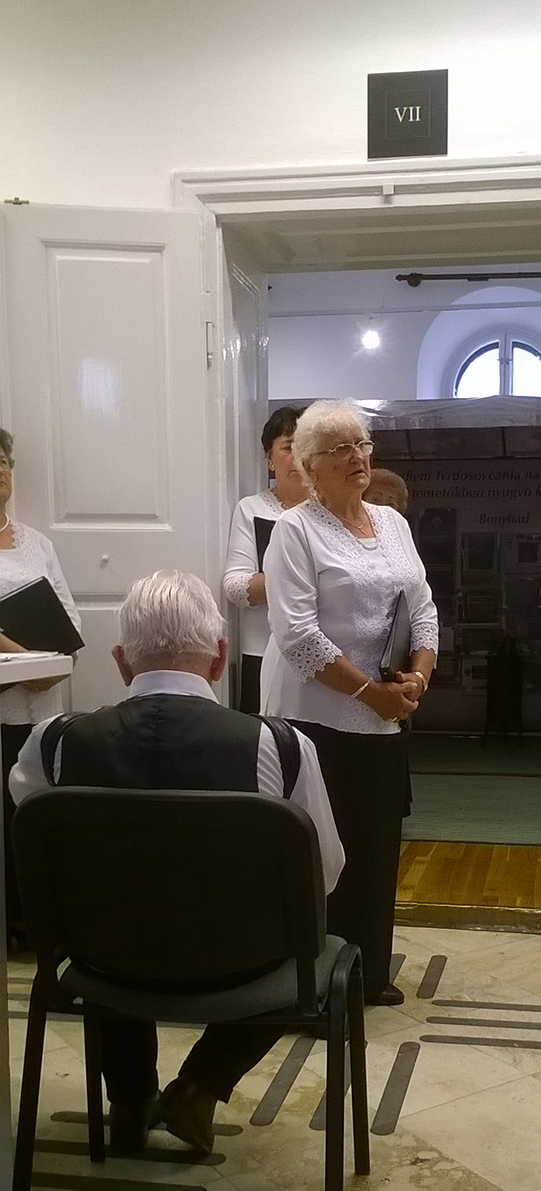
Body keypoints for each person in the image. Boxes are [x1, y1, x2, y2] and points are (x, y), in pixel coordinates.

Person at [10, 570, 344, 1157]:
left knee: (113, 904)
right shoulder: (281, 746)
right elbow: (325, 874)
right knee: (310, 943)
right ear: (220, 658)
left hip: (102, 963)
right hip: (239, 969)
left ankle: (129, 1099)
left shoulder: (52, 742)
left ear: (121, 662)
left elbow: (44, 858)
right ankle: (200, 1087)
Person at [261, 400, 438, 1006]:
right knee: (321, 853)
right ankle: (313, 982)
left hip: (386, 714)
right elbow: (298, 635)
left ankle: (367, 975)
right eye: (340, 448)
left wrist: (416, 680)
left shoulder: (392, 524)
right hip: (318, 718)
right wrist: (372, 693)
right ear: (309, 465)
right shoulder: (295, 530)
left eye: (362, 443)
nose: (358, 457)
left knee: (376, 844)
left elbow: (423, 609)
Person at [0, 428, 82, 947]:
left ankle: (38, 920)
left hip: (43, 701)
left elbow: (69, 621)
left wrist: (57, 661)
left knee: (36, 809)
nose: (0, 470)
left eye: (4, 460)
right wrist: (27, 657)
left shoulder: (38, 544)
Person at [223, 405, 309, 712]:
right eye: (288, 447)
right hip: (261, 652)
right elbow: (235, 587)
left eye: (306, 446)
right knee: (264, 737)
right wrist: (296, 575)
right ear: (270, 458)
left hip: (326, 654)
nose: (298, 456)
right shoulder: (252, 509)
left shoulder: (333, 512)